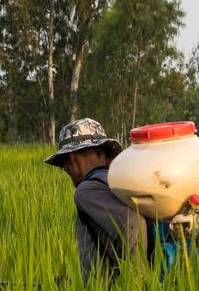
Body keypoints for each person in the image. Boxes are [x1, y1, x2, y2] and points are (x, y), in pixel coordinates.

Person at [44, 118, 147, 281]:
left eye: (65, 167)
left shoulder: (87, 189)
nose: (68, 172)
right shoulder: (124, 181)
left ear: (72, 158)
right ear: (107, 155)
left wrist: (138, 284)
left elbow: (133, 222)